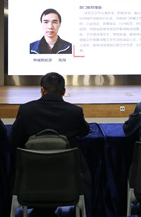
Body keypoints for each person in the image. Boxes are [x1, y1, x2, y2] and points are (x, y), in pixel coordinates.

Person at [10, 72, 90, 217]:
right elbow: (84, 131)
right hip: (67, 180)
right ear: (64, 91)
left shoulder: (26, 110)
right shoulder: (75, 112)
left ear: (42, 90)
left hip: (31, 179)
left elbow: (14, 140)